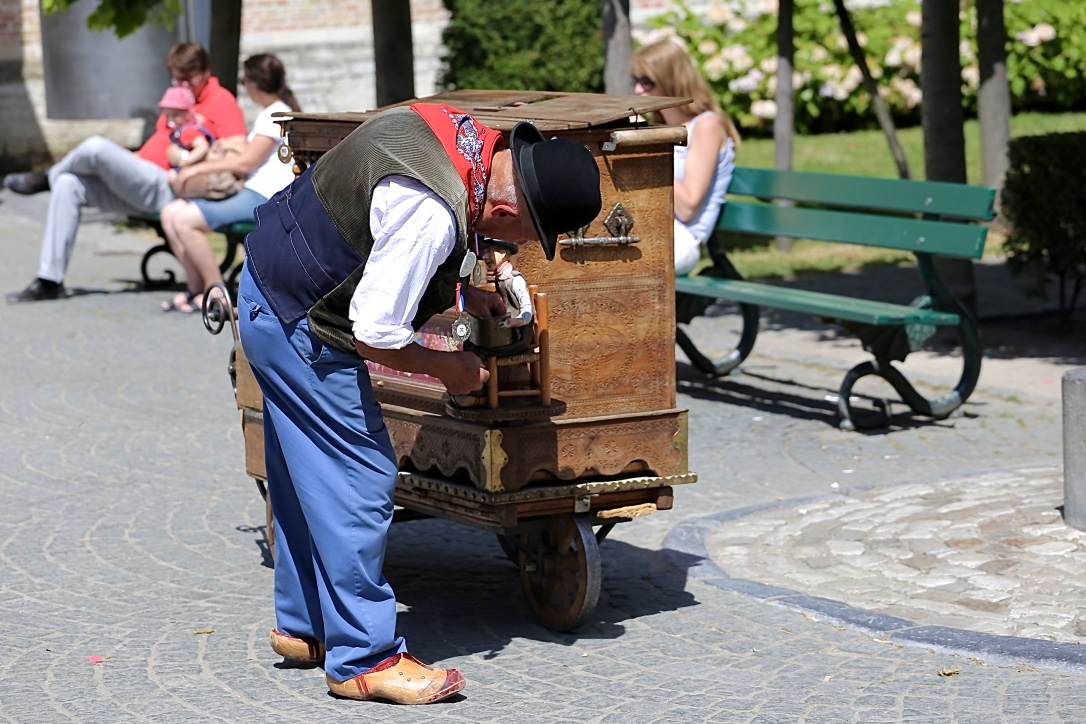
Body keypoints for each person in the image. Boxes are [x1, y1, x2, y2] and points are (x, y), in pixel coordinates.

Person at [238, 103, 601, 704]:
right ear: (509, 211)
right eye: (527, 238)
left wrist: (463, 302)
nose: (520, 247)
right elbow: (374, 330)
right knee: (359, 478)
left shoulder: (462, 136)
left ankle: (304, 629)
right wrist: (446, 366)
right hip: (300, 319)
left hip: (267, 287)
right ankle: (365, 658)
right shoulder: (433, 211)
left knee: (306, 477)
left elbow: (377, 249)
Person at [5, 42, 246, 303]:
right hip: (141, 180)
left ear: (206, 70)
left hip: (169, 185)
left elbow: (237, 152)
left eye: (189, 79)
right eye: (177, 79)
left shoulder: (221, 100)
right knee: (68, 184)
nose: (183, 86)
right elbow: (157, 144)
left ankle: (44, 178)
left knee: (96, 147)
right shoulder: (177, 98)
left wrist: (191, 161)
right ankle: (49, 280)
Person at [158, 54, 299, 314]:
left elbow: (246, 164)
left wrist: (200, 167)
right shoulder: (272, 113)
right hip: (253, 191)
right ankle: (196, 289)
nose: (244, 85)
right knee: (172, 212)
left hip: (263, 197)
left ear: (255, 84)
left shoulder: (276, 114)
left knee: (185, 220)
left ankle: (216, 295)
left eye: (244, 80)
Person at [632, 39, 741, 276]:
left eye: (647, 82)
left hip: (682, 239)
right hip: (650, 230)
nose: (639, 90)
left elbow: (688, 207)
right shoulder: (661, 127)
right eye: (636, 80)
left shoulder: (706, 126)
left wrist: (648, 148)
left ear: (671, 80)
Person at [158, 86, 214, 174]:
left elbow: (203, 147)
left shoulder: (188, 131)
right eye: (168, 115)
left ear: (188, 114)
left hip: (194, 167)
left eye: (175, 115)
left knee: (171, 176)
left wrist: (186, 160)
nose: (171, 119)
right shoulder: (180, 129)